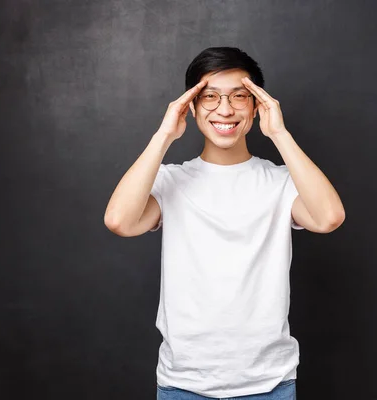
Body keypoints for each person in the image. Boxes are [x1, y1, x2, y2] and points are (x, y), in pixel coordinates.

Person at [104, 47, 345, 399]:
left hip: (269, 384)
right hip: (183, 383)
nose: (225, 109)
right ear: (191, 106)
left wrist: (279, 133)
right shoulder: (171, 181)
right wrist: (164, 135)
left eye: (239, 97)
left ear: (257, 105)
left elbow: (328, 218)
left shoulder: (281, 182)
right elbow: (119, 221)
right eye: (210, 97)